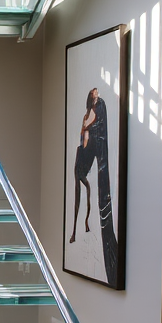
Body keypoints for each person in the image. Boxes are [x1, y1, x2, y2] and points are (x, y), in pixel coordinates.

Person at [69, 89, 99, 243]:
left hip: (84, 157)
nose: (97, 97)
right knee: (78, 196)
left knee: (86, 190)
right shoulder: (88, 117)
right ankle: (75, 231)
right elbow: (84, 134)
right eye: (95, 95)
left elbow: (86, 133)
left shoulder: (91, 116)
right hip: (81, 157)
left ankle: (84, 224)